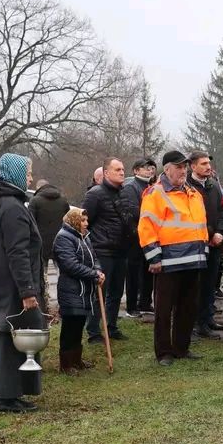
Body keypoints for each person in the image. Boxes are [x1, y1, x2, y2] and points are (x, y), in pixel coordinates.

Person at [0, 153, 43, 413]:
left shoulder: (6, 202)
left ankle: (11, 393)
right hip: (10, 285)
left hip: (2, 282)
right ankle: (7, 398)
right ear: (14, 174)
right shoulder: (11, 206)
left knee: (7, 336)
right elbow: (17, 252)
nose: (30, 178)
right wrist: (27, 291)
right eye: (27, 173)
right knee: (10, 338)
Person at [138, 151, 209, 365]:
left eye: (184, 166)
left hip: (193, 259)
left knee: (188, 308)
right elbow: (146, 227)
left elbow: (201, 225)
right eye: (178, 167)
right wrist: (154, 258)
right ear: (166, 169)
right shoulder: (155, 193)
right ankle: (164, 352)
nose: (183, 170)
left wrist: (203, 251)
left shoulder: (194, 193)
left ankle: (181, 347)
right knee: (163, 309)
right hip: (168, 262)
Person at [83, 158, 133, 343]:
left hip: (122, 250)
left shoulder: (124, 193)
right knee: (100, 293)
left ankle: (111, 327)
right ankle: (94, 331)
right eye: (117, 169)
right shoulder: (95, 194)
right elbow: (85, 222)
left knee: (117, 292)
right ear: (106, 173)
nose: (122, 172)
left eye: (123, 169)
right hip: (102, 250)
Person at [52, 207, 104, 374]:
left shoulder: (84, 237)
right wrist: (93, 274)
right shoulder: (63, 238)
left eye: (86, 220)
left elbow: (93, 257)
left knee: (79, 324)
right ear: (74, 221)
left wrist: (98, 270)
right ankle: (66, 364)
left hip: (84, 291)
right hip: (71, 290)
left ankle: (76, 359)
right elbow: (70, 265)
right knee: (70, 327)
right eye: (82, 220)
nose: (86, 223)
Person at [188, 151, 223, 339]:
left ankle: (208, 319)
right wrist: (208, 234)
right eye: (203, 163)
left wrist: (220, 233)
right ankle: (195, 324)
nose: (208, 166)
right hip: (195, 244)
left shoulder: (213, 186)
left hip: (215, 244)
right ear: (193, 166)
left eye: (208, 163)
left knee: (209, 285)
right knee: (195, 286)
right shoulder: (187, 187)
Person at [27, 178, 70, 310]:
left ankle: (45, 304)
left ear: (39, 188)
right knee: (62, 274)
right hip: (60, 241)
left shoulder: (35, 201)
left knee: (42, 275)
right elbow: (68, 220)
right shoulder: (63, 200)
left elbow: (30, 222)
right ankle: (63, 303)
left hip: (41, 243)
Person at [121, 159, 157, 318]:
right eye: (145, 168)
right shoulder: (131, 187)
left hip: (150, 236)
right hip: (135, 237)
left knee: (149, 270)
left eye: (151, 168)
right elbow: (132, 211)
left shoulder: (152, 187)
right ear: (136, 170)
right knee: (133, 273)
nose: (150, 170)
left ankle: (145, 303)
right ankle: (131, 307)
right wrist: (152, 214)